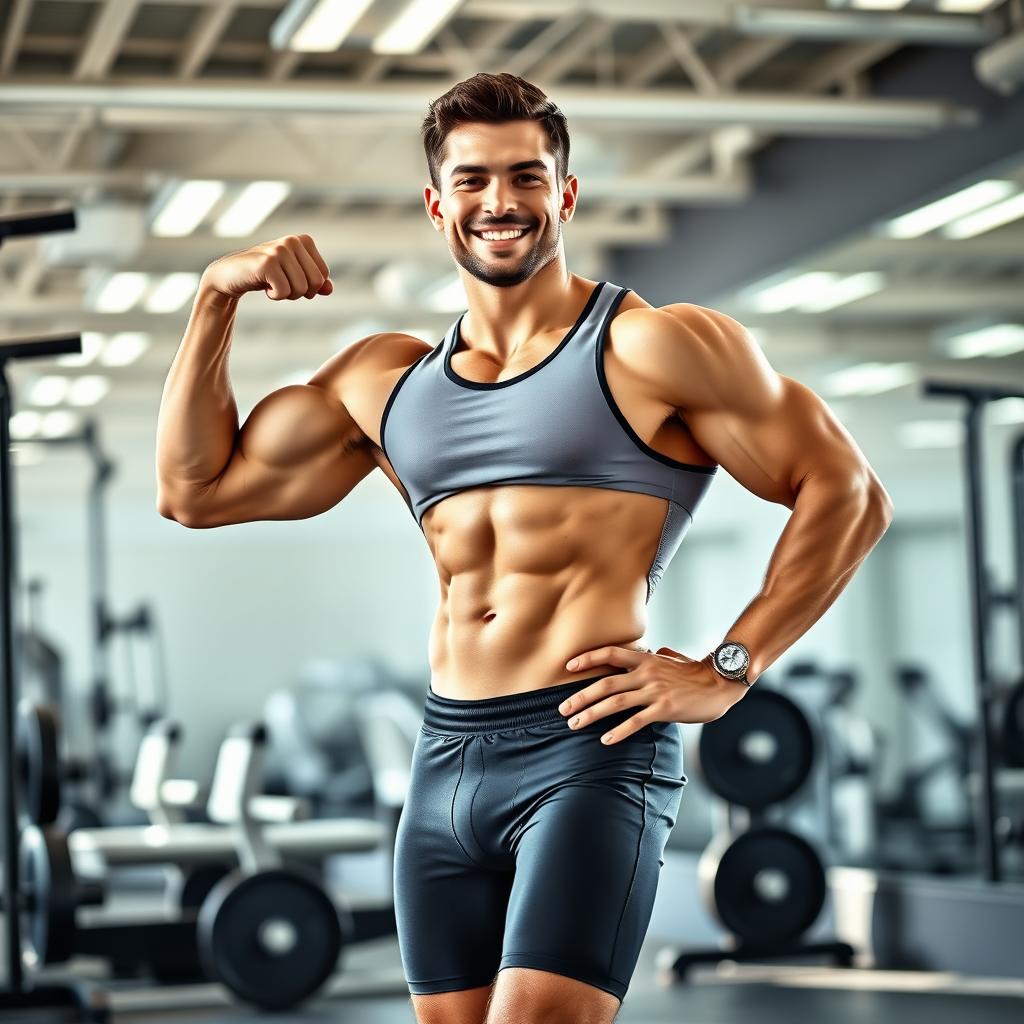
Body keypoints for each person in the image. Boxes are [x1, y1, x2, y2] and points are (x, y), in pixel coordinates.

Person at [156, 72, 893, 1024]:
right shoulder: (387, 382)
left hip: (589, 746)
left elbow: (848, 491)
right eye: (470, 181)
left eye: (525, 176)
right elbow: (194, 491)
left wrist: (730, 666)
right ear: (436, 204)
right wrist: (216, 295)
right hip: (444, 758)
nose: (498, 202)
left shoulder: (651, 348)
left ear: (565, 193)